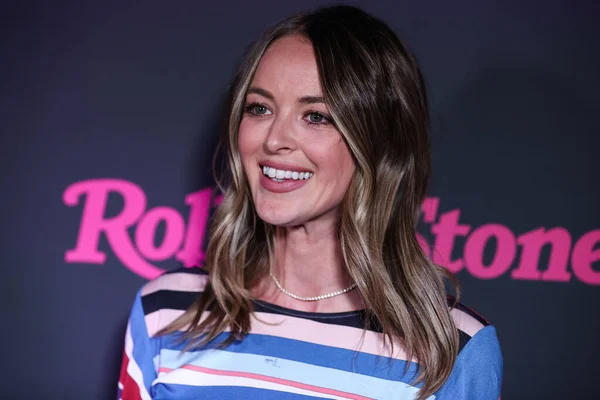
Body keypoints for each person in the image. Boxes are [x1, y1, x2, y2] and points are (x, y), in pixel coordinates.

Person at [117, 5, 502, 400]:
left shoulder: (452, 347)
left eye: (316, 116)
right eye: (260, 108)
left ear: (379, 145)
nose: (274, 140)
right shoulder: (167, 312)